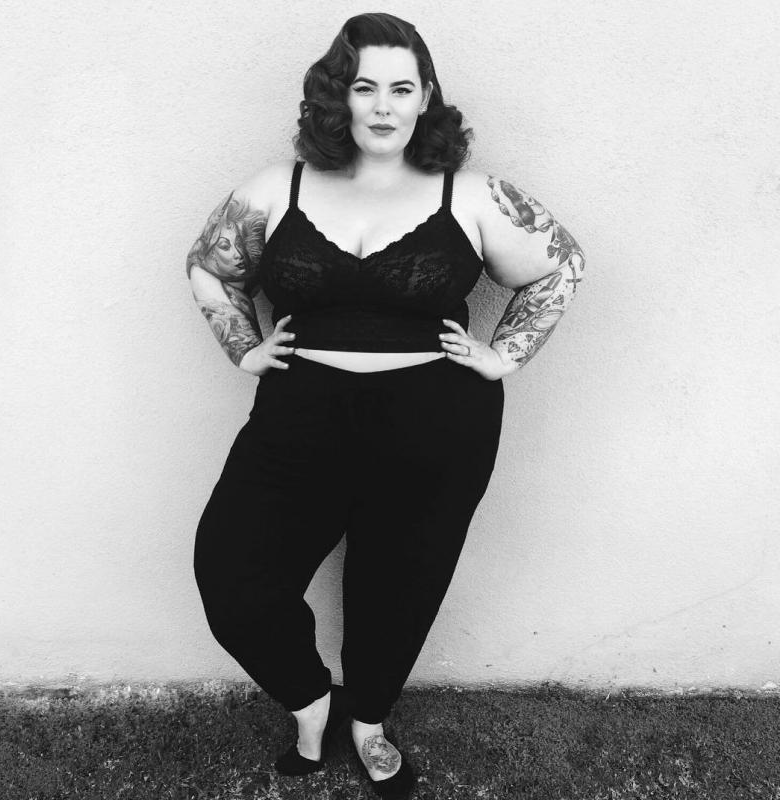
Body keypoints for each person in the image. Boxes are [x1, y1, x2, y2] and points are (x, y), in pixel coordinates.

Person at [186, 12, 585, 799]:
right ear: (338, 97)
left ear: (426, 97)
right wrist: (244, 347)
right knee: (232, 571)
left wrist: (504, 354)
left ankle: (368, 721)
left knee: (397, 586)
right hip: (301, 415)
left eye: (401, 88)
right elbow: (210, 266)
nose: (382, 105)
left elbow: (559, 263)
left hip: (434, 422)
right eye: (364, 86)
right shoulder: (277, 187)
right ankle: (310, 703)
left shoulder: (472, 195)